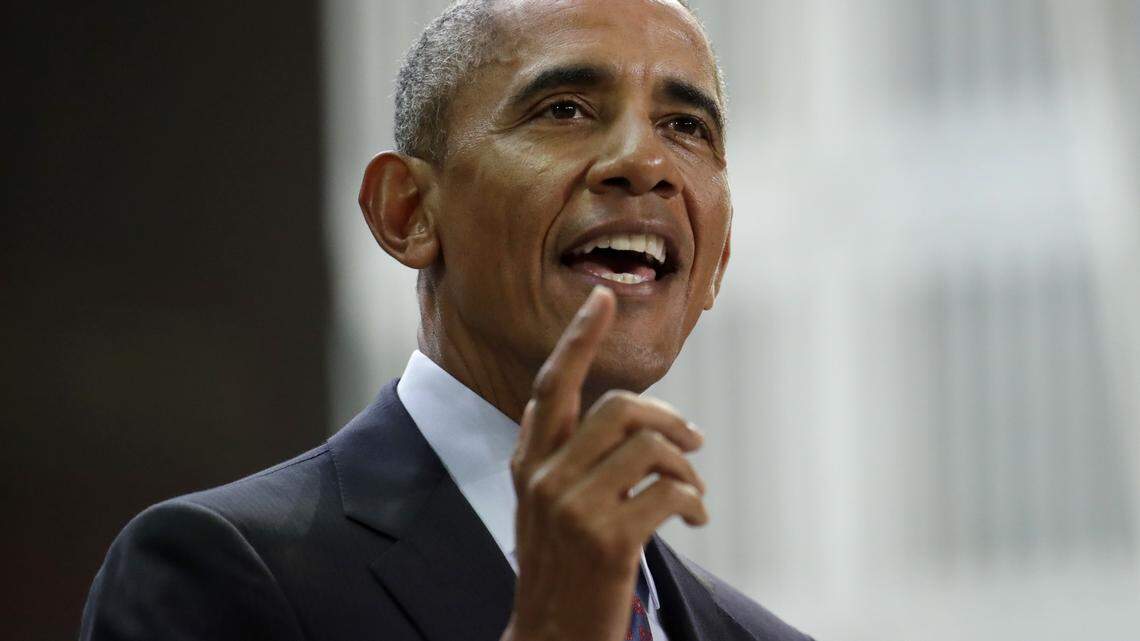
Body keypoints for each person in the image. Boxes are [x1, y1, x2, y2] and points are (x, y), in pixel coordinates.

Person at [81, 1, 815, 639]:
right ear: (407, 212)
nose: (643, 160)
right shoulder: (216, 572)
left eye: (685, 125)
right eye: (565, 109)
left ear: (717, 261)